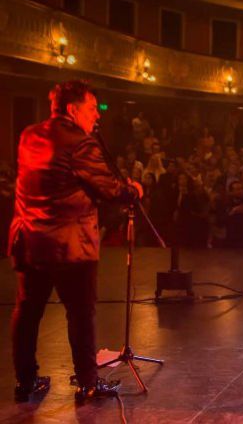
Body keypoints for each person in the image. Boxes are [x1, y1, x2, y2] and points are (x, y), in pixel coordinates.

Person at [9, 80, 143, 403]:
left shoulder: (28, 135)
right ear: (73, 109)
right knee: (81, 314)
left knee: (27, 313)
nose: (96, 116)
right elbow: (109, 189)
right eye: (92, 109)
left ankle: (25, 382)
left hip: (30, 240)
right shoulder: (81, 143)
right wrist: (133, 190)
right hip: (69, 245)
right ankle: (88, 383)